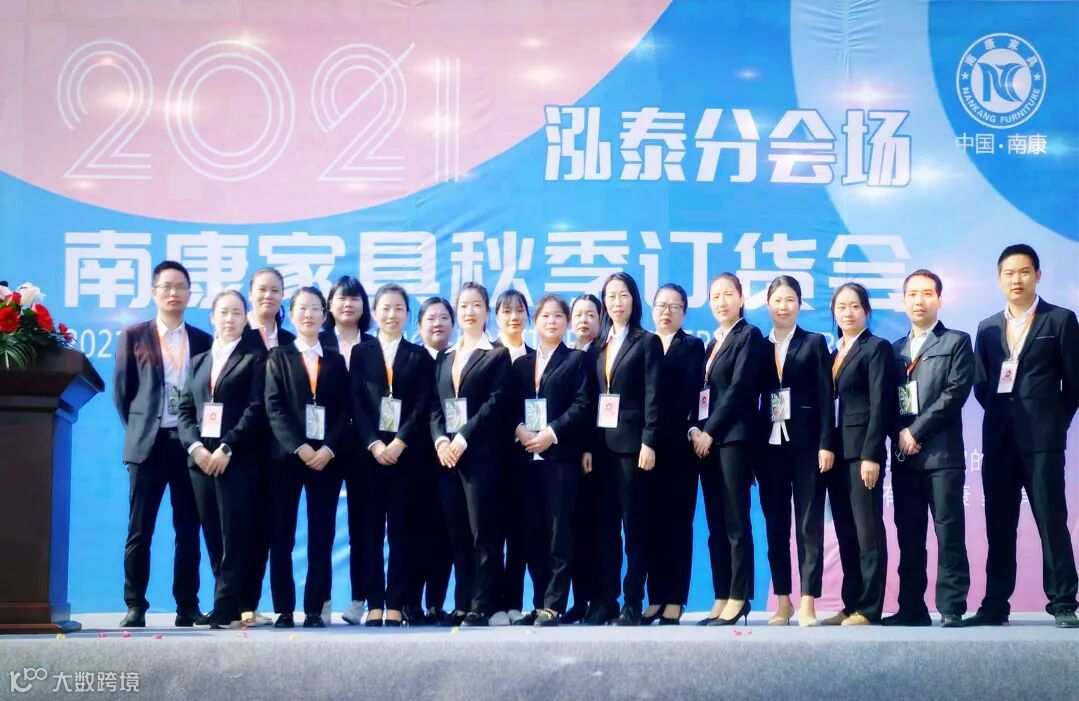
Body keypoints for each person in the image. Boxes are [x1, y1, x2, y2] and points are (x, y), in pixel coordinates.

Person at [968, 244, 1079, 628]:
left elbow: (1074, 383)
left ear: (1037, 276)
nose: (1017, 279)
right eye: (1009, 273)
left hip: (1043, 442)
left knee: (1051, 520)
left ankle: (1063, 602)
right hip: (1000, 440)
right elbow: (981, 384)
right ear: (999, 279)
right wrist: (1005, 416)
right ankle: (995, 604)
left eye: (1024, 272)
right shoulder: (987, 327)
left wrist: (1055, 422)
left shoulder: (1060, 320)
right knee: (999, 524)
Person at [112, 261, 211, 628]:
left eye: (180, 286)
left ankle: (187, 606)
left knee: (188, 530)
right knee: (140, 529)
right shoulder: (133, 336)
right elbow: (123, 393)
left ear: (189, 293)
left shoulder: (202, 340)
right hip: (148, 446)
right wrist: (142, 428)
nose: (173, 293)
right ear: (154, 292)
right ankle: (135, 604)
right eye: (166, 286)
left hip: (189, 445)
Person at [883, 269, 973, 628]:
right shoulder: (893, 351)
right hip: (904, 457)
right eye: (912, 294)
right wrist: (899, 433)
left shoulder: (956, 341)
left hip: (942, 456)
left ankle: (952, 607)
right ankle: (911, 608)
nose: (919, 301)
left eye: (926, 294)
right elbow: (885, 402)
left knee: (948, 532)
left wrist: (915, 431)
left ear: (939, 299)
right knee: (909, 535)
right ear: (903, 301)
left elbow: (955, 393)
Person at [177, 290, 266, 629]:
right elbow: (185, 410)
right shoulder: (198, 361)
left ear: (246, 319)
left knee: (235, 532)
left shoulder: (255, 359)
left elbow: (255, 409)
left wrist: (227, 447)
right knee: (213, 532)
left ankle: (226, 605)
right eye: (224, 313)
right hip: (201, 461)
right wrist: (196, 449)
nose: (230, 319)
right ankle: (226, 599)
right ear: (212, 317)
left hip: (236, 459)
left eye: (237, 313)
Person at [264, 287, 349, 628]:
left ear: (324, 315)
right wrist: (300, 446)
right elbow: (274, 407)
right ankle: (284, 609)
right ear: (292, 313)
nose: (309, 315)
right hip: (286, 459)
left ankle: (315, 608)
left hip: (326, 460)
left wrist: (328, 448)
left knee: (321, 535)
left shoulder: (336, 360)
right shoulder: (279, 356)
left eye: (315, 309)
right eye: (302, 308)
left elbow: (344, 411)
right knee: (281, 535)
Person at [428, 282, 512, 626]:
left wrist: (463, 437)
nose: (470, 312)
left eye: (477, 305)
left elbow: (496, 403)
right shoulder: (445, 357)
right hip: (448, 458)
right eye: (463, 305)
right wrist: (440, 441)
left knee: (483, 532)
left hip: (481, 456)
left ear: (487, 311)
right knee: (457, 533)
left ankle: (484, 602)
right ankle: (462, 601)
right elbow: (435, 406)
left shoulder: (497, 354)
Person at [350, 284, 433, 627]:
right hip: (368, 458)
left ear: (408, 315)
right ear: (374, 312)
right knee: (369, 531)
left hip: (405, 458)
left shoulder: (419, 356)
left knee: (401, 532)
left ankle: (395, 602)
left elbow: (422, 404)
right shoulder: (360, 352)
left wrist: (400, 441)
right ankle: (374, 603)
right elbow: (355, 401)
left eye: (399, 308)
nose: (391, 315)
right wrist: (373, 443)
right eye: (385, 308)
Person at [509, 294, 593, 626]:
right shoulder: (520, 364)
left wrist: (552, 433)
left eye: (559, 316)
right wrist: (519, 430)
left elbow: (583, 404)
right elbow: (508, 406)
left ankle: (554, 604)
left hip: (560, 459)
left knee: (560, 532)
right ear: (535, 321)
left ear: (567, 322)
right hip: (525, 461)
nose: (552, 321)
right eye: (545, 316)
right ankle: (539, 600)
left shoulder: (576, 360)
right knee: (533, 534)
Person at [756, 276, 835, 627]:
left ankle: (808, 602)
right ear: (768, 305)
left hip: (807, 448)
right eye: (777, 300)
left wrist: (825, 444)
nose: (783, 306)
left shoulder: (814, 343)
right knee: (776, 527)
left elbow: (825, 397)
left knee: (808, 526)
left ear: (800, 304)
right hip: (770, 450)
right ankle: (783, 602)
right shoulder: (759, 347)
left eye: (790, 300)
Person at [689, 273, 765, 626]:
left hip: (733, 440)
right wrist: (695, 429)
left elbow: (739, 389)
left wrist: (710, 431)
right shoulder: (713, 343)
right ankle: (721, 596)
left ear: (741, 298)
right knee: (716, 525)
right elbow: (704, 394)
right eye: (715, 296)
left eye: (727, 295)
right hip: (707, 444)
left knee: (736, 522)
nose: (721, 302)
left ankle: (740, 596)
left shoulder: (749, 335)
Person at [587, 272, 662, 626]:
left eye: (623, 295)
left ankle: (632, 602)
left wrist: (649, 440)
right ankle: (605, 600)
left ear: (634, 300)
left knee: (635, 529)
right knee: (604, 530)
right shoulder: (597, 345)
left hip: (633, 447)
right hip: (601, 448)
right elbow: (591, 400)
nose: (617, 302)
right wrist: (588, 447)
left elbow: (653, 396)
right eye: (611, 296)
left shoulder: (646, 342)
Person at [820, 282, 896, 626]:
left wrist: (872, 454)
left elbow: (881, 404)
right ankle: (850, 604)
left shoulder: (876, 347)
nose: (848, 313)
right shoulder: (834, 353)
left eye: (854, 306)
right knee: (846, 532)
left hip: (862, 453)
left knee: (868, 532)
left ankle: (870, 607)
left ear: (866, 310)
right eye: (841, 307)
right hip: (836, 454)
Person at [644, 283, 704, 625]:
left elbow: (689, 394)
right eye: (661, 305)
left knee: (678, 524)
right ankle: (655, 596)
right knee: (650, 523)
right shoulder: (643, 343)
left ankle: (675, 599)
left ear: (684, 312)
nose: (666, 312)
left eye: (674, 306)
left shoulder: (691, 346)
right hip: (646, 448)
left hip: (679, 447)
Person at [239, 267, 295, 628]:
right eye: (262, 289)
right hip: (241, 448)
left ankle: (283, 608)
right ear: (250, 293)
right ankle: (243, 604)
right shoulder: (234, 333)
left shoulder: (290, 340)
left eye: (275, 290)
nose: (268, 296)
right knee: (245, 529)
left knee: (280, 531)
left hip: (282, 451)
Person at [321, 275, 373, 626]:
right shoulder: (317, 341)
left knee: (363, 528)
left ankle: (359, 599)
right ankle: (321, 599)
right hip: (325, 445)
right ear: (330, 305)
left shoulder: (374, 345)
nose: (348, 304)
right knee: (323, 527)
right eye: (342, 298)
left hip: (365, 447)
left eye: (355, 298)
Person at [403, 297, 456, 626]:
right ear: (419, 325)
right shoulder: (410, 358)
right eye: (431, 318)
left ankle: (435, 603)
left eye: (444, 318)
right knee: (414, 533)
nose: (438, 323)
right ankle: (410, 602)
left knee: (445, 534)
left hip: (451, 460)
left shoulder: (459, 358)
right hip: (413, 459)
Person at [492, 289, 534, 625]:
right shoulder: (485, 355)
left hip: (527, 457)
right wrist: (515, 427)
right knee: (492, 531)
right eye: (507, 311)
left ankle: (514, 603)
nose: (514, 317)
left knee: (520, 530)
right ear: (496, 317)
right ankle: (492, 603)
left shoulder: (536, 357)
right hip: (490, 455)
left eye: (520, 310)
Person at [564, 293, 603, 624]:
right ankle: (579, 600)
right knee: (573, 529)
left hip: (596, 453)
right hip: (564, 454)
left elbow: (594, 406)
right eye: (578, 314)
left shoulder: (604, 354)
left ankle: (599, 598)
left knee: (595, 528)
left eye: (591, 314)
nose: (584, 320)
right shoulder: (564, 355)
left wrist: (589, 446)